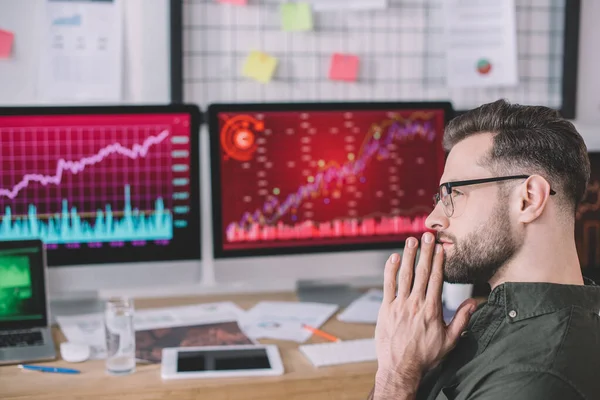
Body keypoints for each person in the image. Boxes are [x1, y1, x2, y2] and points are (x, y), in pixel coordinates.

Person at [368, 99, 600, 400]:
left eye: (454, 193)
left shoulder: (531, 382)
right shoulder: (508, 317)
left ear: (528, 200)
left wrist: (397, 374)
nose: (433, 219)